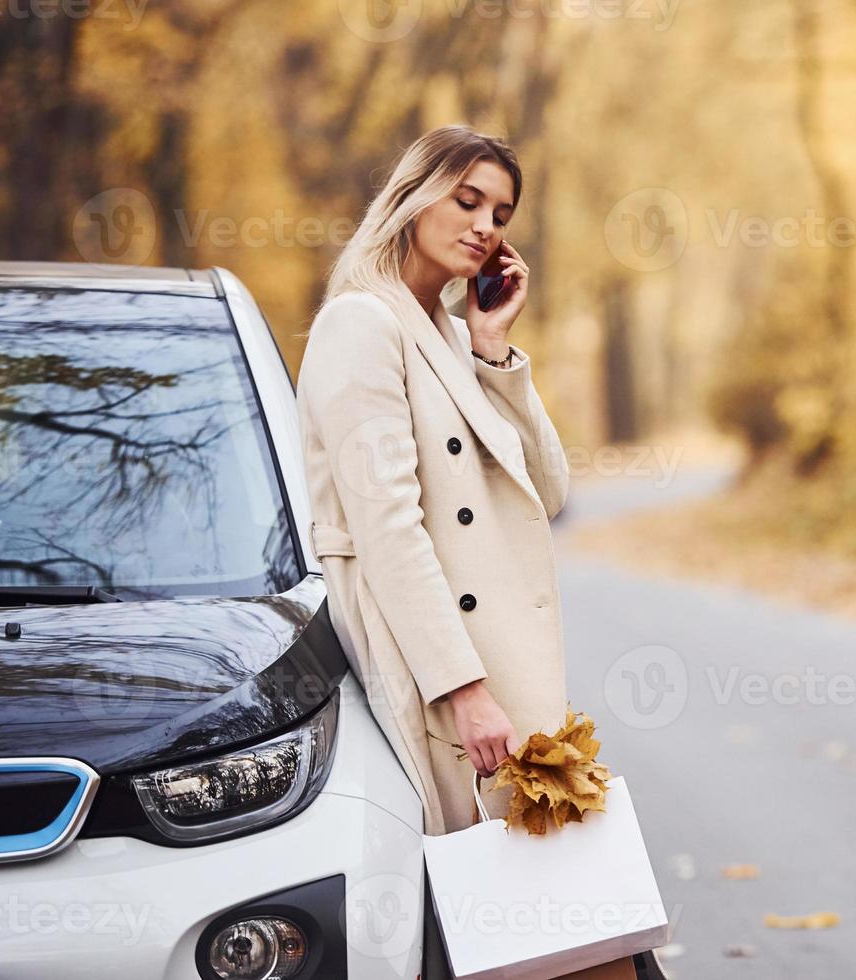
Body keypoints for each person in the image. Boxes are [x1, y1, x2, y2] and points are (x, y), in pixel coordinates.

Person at [295, 123, 570, 835]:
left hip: (490, 658)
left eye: (501, 216)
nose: (484, 227)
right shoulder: (358, 323)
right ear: (414, 196)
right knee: (464, 890)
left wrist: (494, 349)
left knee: (525, 897)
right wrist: (464, 690)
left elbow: (549, 490)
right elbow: (387, 527)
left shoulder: (453, 334)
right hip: (432, 666)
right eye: (468, 201)